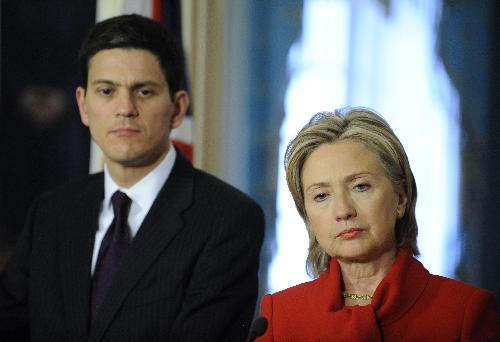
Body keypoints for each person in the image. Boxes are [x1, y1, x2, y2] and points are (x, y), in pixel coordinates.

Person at [0, 14, 265, 341]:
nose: (125, 108)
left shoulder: (228, 220)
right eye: (107, 91)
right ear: (83, 105)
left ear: (178, 108)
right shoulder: (50, 213)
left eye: (144, 91)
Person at [257, 107, 500, 341]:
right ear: (306, 213)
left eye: (360, 186)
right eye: (321, 195)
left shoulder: (465, 312)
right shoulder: (281, 316)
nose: (343, 211)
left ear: (401, 198)